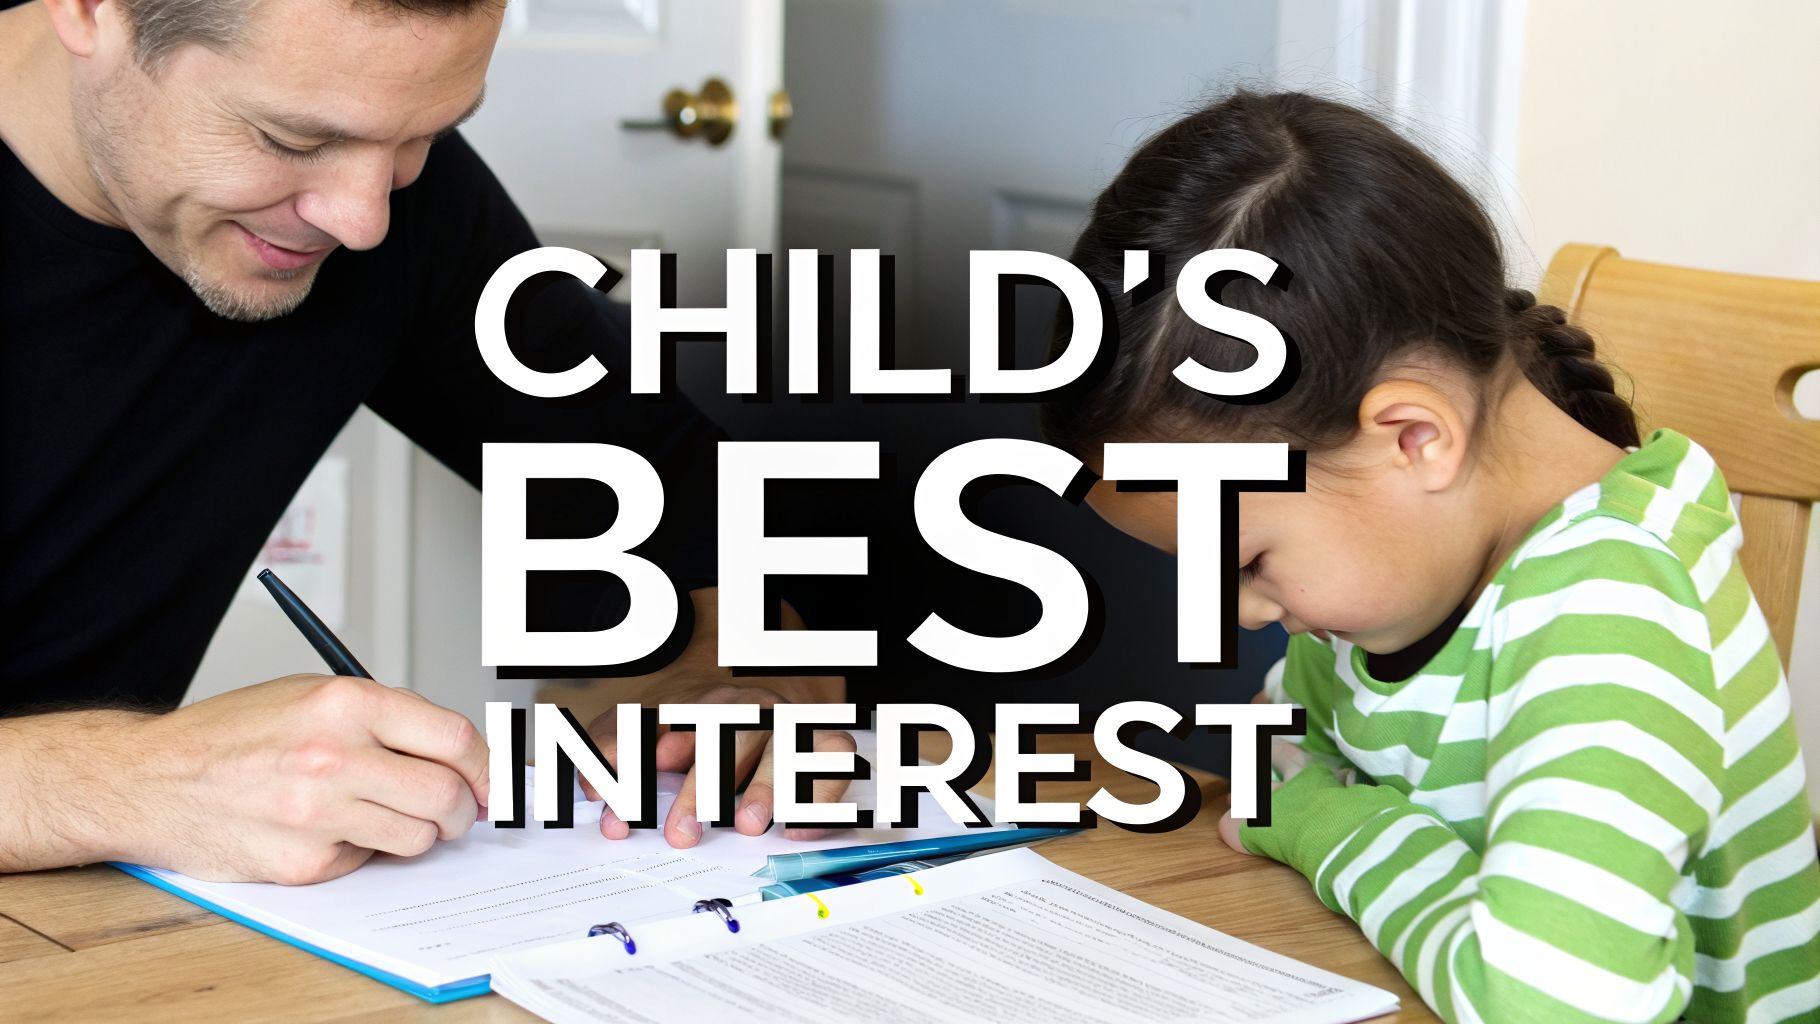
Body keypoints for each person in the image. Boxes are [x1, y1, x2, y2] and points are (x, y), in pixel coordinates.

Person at [0, 0, 844, 884]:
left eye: (425, 137)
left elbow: (696, 501)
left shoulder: (392, 191)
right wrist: (136, 782)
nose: (363, 220)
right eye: (289, 140)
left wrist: (741, 689)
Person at [1047, 90, 1820, 1022]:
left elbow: (1547, 1003)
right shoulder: (1405, 564)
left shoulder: (1615, 612)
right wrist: (1313, 804)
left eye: (1245, 562)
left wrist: (1338, 825)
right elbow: (1282, 759)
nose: (1236, 613)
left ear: (1414, 436)